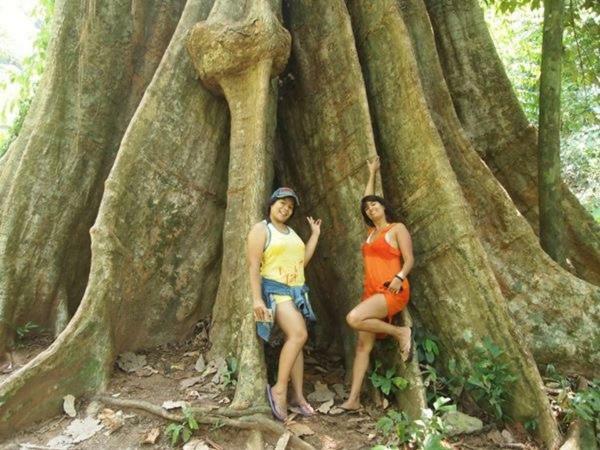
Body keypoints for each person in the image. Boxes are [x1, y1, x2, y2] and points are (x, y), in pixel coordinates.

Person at [340, 156, 414, 411]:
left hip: (392, 290)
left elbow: (410, 260)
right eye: (368, 209)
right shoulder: (370, 234)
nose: (371, 209)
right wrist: (371, 172)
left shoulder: (396, 228)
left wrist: (399, 277)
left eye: (375, 206)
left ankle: (400, 332)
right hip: (371, 294)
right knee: (363, 346)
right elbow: (365, 198)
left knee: (353, 318)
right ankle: (353, 399)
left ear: (384, 207)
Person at [248, 187, 322, 421]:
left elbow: (302, 262)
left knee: (296, 341)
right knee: (299, 335)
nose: (286, 208)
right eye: (282, 203)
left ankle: (297, 396)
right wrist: (257, 299)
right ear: (271, 204)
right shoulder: (262, 229)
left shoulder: (292, 233)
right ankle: (279, 388)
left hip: (296, 293)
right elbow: (253, 266)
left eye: (290, 206)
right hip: (276, 291)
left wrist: (315, 235)